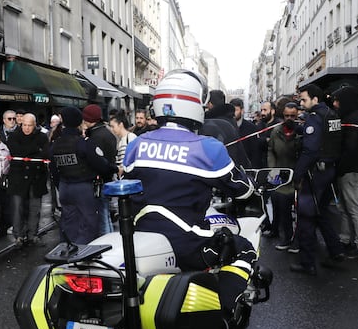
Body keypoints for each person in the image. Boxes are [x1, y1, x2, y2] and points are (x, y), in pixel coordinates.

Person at [122, 69, 256, 312]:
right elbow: (242, 189)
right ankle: (225, 313)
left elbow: (129, 178)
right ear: (196, 106)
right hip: (187, 243)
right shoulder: (208, 148)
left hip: (139, 238)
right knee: (244, 248)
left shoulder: (137, 144)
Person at [290, 84, 344, 274]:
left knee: (306, 218)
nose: (302, 103)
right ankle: (336, 250)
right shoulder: (332, 114)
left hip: (315, 174)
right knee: (321, 213)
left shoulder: (314, 118)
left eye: (304, 99)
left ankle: (307, 263)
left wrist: (297, 175)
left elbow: (310, 150)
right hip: (329, 170)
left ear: (315, 99)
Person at [52, 107, 118, 245]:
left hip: (64, 187)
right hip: (83, 188)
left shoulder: (55, 144)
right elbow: (100, 164)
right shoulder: (83, 143)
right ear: (78, 122)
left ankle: (69, 251)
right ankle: (83, 254)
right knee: (89, 224)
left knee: (69, 222)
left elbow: (53, 169)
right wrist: (115, 169)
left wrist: (61, 185)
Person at [333, 86, 358, 258]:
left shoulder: (354, 119)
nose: (335, 104)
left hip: (350, 170)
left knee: (354, 208)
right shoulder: (353, 117)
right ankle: (346, 239)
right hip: (348, 169)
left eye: (338, 100)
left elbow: (351, 148)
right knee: (345, 207)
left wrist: (340, 168)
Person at [6, 113, 49, 246]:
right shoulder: (13, 136)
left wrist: (28, 152)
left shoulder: (42, 136)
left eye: (30, 125)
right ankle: (18, 235)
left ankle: (33, 234)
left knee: (35, 208)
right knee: (18, 207)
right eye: (24, 125)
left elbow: (45, 153)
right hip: (18, 177)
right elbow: (16, 151)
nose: (27, 128)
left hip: (36, 177)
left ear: (35, 125)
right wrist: (35, 150)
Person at [82, 104, 118, 235]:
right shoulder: (107, 133)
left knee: (102, 215)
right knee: (106, 213)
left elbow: (97, 161)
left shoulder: (95, 136)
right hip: (107, 178)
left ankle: (106, 243)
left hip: (99, 180)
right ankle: (110, 238)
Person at [270, 102, 300, 253]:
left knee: (301, 212)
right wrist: (273, 171)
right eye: (286, 116)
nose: (289, 119)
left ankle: (298, 241)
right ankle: (286, 238)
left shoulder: (301, 132)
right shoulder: (276, 131)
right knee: (283, 210)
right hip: (281, 175)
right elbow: (271, 151)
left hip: (298, 175)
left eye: (292, 116)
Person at [230, 97, 263, 168]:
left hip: (246, 167)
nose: (233, 113)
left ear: (242, 111)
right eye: (231, 110)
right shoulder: (226, 126)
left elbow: (255, 152)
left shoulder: (251, 128)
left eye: (236, 110)